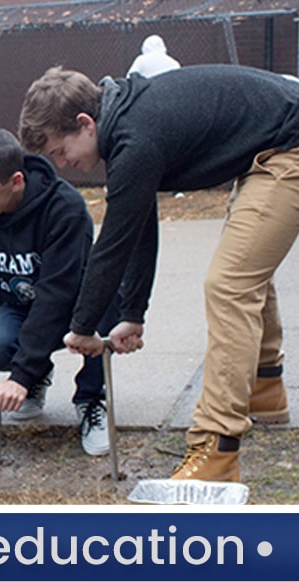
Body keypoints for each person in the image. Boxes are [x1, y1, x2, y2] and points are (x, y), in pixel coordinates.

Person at [20, 64, 299, 482]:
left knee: (229, 285)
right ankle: (263, 386)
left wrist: (81, 327)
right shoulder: (128, 127)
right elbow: (138, 226)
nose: (63, 163)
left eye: (61, 150)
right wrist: (132, 313)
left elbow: (112, 247)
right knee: (245, 266)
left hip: (289, 147)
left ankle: (217, 449)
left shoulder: (135, 138)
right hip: (269, 148)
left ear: (85, 122)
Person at [0, 127, 118, 456]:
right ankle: (38, 375)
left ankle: (91, 399)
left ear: (16, 182)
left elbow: (56, 296)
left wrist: (20, 375)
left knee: (108, 301)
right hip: (21, 306)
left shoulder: (64, 208)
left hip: (79, 305)